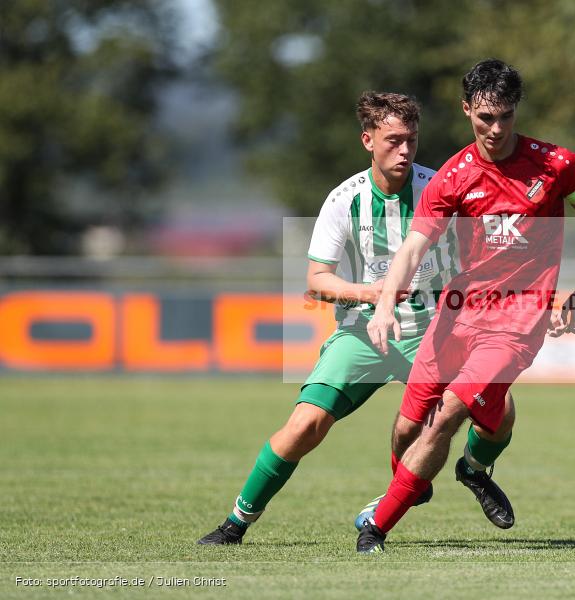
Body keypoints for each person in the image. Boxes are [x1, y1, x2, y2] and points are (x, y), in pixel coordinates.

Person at [197, 91, 515, 545]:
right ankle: (235, 524)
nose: (404, 150)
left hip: (435, 332)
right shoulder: (344, 201)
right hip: (362, 333)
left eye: (411, 139)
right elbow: (317, 279)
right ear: (368, 140)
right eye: (393, 140)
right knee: (305, 425)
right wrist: (372, 294)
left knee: (500, 415)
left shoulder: (443, 186)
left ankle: (473, 470)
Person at [356, 59, 575, 553]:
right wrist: (385, 304)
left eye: (505, 116)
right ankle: (464, 471)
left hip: (518, 321)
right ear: (467, 110)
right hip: (458, 314)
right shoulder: (453, 178)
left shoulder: (557, 165)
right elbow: (413, 248)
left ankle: (375, 528)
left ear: (516, 112)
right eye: (484, 117)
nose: (495, 128)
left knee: (445, 418)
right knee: (408, 428)